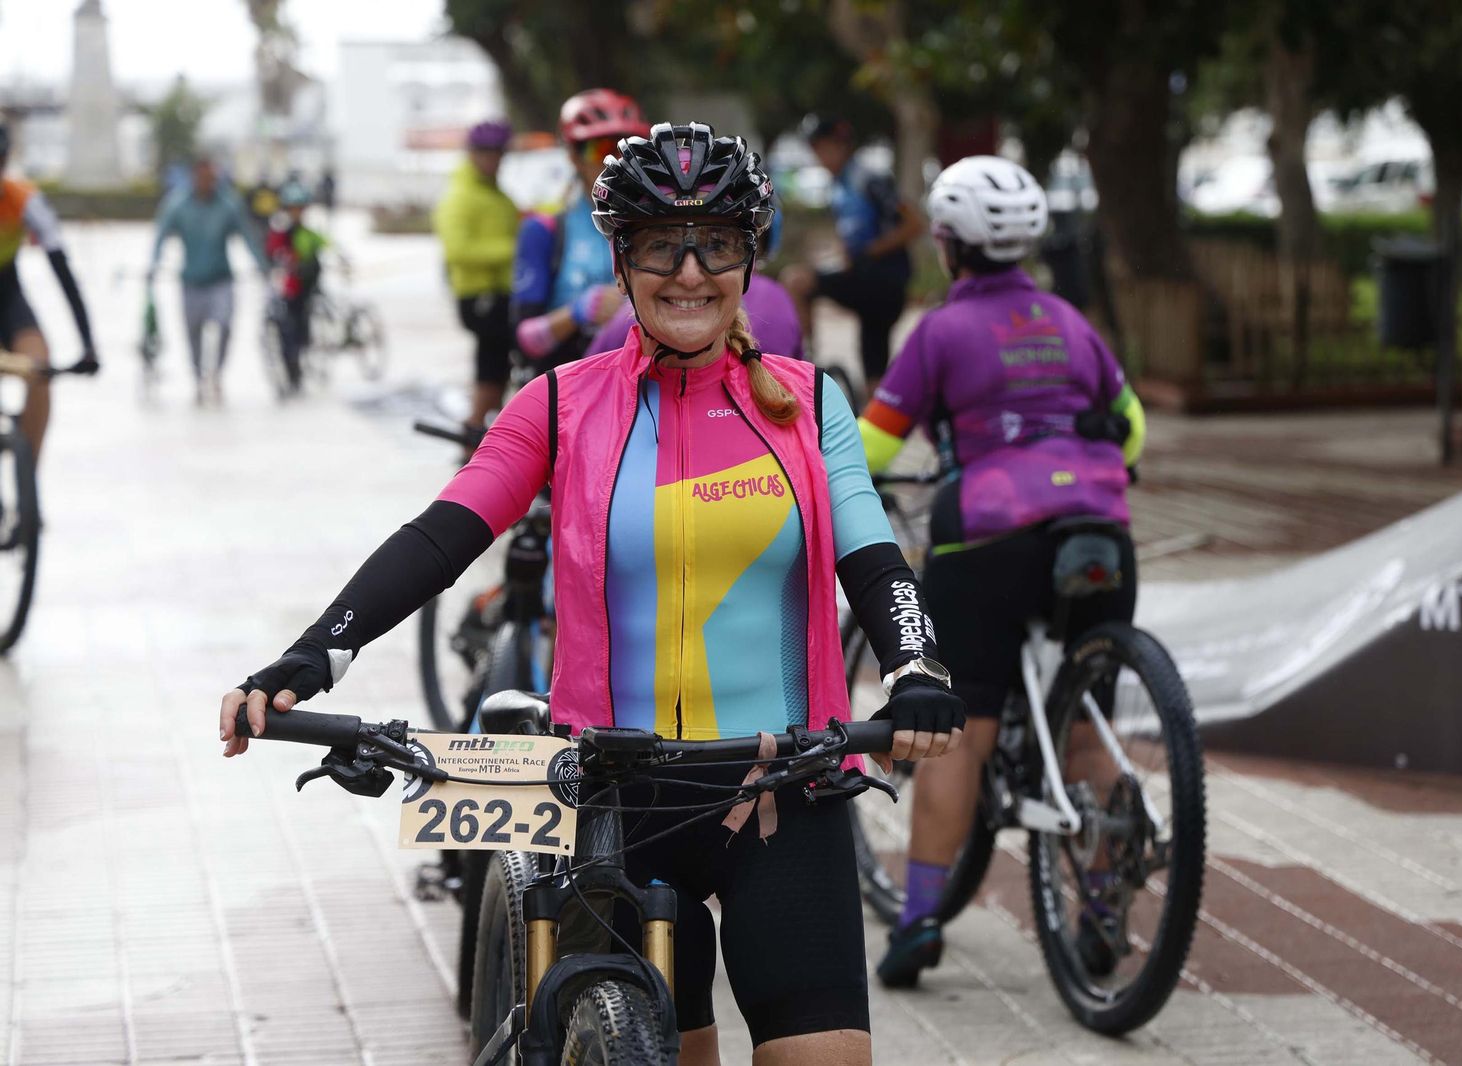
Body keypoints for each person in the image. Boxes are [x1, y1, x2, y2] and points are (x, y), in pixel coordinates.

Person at [221, 121, 966, 1066]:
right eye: (661, 243)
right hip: (614, 799)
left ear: (750, 255)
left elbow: (874, 561)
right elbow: (442, 536)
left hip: (786, 784)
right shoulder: (560, 403)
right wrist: (312, 654)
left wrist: (914, 665)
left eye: (719, 242)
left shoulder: (812, 403)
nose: (690, 272)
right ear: (622, 257)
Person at [855, 156, 1146, 988]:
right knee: (1085, 723)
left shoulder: (941, 331)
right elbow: (1131, 435)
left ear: (946, 245)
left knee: (961, 729)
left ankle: (916, 924)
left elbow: (872, 444)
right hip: (1099, 530)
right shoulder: (1071, 320)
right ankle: (1101, 901)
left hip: (986, 537)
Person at [510, 89, 649, 372]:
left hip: (639, 390)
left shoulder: (655, 227)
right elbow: (525, 339)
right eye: (600, 149)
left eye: (625, 150)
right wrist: (578, 312)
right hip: (565, 392)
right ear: (573, 155)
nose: (614, 162)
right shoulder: (544, 229)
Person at [785, 115, 922, 395]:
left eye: (823, 148)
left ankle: (803, 363)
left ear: (841, 146)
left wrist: (868, 252)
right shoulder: (840, 184)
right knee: (873, 372)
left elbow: (914, 225)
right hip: (864, 279)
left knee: (796, 281)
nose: (819, 157)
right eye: (815, 149)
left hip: (883, 280)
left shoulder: (869, 177)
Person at [584, 202, 803, 359]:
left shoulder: (626, 318)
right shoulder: (777, 297)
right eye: (661, 246)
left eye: (717, 245)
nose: (690, 277)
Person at [0, 121, 98, 460]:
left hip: (9, 302)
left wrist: (87, 344)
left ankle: (30, 474)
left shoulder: (25, 201)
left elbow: (64, 276)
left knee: (40, 372)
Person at [149, 154, 271, 405]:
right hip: (191, 282)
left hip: (221, 280)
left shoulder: (228, 204)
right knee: (192, 333)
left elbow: (247, 236)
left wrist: (262, 266)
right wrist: (154, 264)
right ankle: (197, 377)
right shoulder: (178, 205)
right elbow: (161, 235)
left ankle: (216, 373)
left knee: (225, 324)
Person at [434, 119, 521, 433]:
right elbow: (458, 250)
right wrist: (515, 249)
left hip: (503, 294)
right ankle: (472, 434)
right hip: (480, 298)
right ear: (472, 153)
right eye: (485, 152)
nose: (493, 159)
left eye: (499, 152)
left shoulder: (495, 193)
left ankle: (488, 432)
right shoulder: (460, 196)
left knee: (501, 368)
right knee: (491, 371)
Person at [264, 181, 332, 394]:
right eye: (292, 208)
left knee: (303, 330)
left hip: (307, 290)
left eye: (299, 209)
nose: (296, 213)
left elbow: (327, 245)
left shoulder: (309, 233)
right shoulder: (281, 234)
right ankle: (291, 371)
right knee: (287, 331)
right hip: (288, 292)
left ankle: (299, 366)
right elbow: (272, 256)